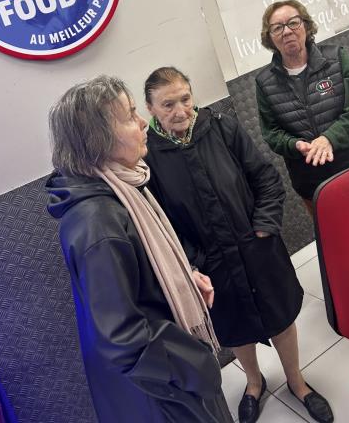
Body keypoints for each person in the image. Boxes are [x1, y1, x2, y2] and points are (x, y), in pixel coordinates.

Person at [143, 66, 333, 423]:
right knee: (234, 324)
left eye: (185, 99)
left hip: (256, 246)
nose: (180, 111)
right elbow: (159, 222)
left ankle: (296, 381)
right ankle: (254, 382)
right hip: (210, 263)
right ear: (150, 108)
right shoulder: (148, 157)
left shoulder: (222, 128)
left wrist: (264, 226)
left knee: (279, 314)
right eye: (168, 104)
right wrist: (194, 259)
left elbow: (265, 177)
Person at [46, 75, 233, 423]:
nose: (143, 123)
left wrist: (185, 276)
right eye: (130, 116)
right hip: (161, 395)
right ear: (98, 137)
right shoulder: (98, 222)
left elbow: (141, 277)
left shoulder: (122, 187)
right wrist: (197, 363)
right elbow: (124, 338)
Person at [256, 0, 349, 212]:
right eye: (277, 28)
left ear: (306, 25)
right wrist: (294, 145)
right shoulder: (264, 82)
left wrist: (329, 138)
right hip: (311, 184)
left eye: (293, 23)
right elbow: (271, 133)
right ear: (270, 37)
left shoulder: (337, 57)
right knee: (333, 232)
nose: (287, 31)